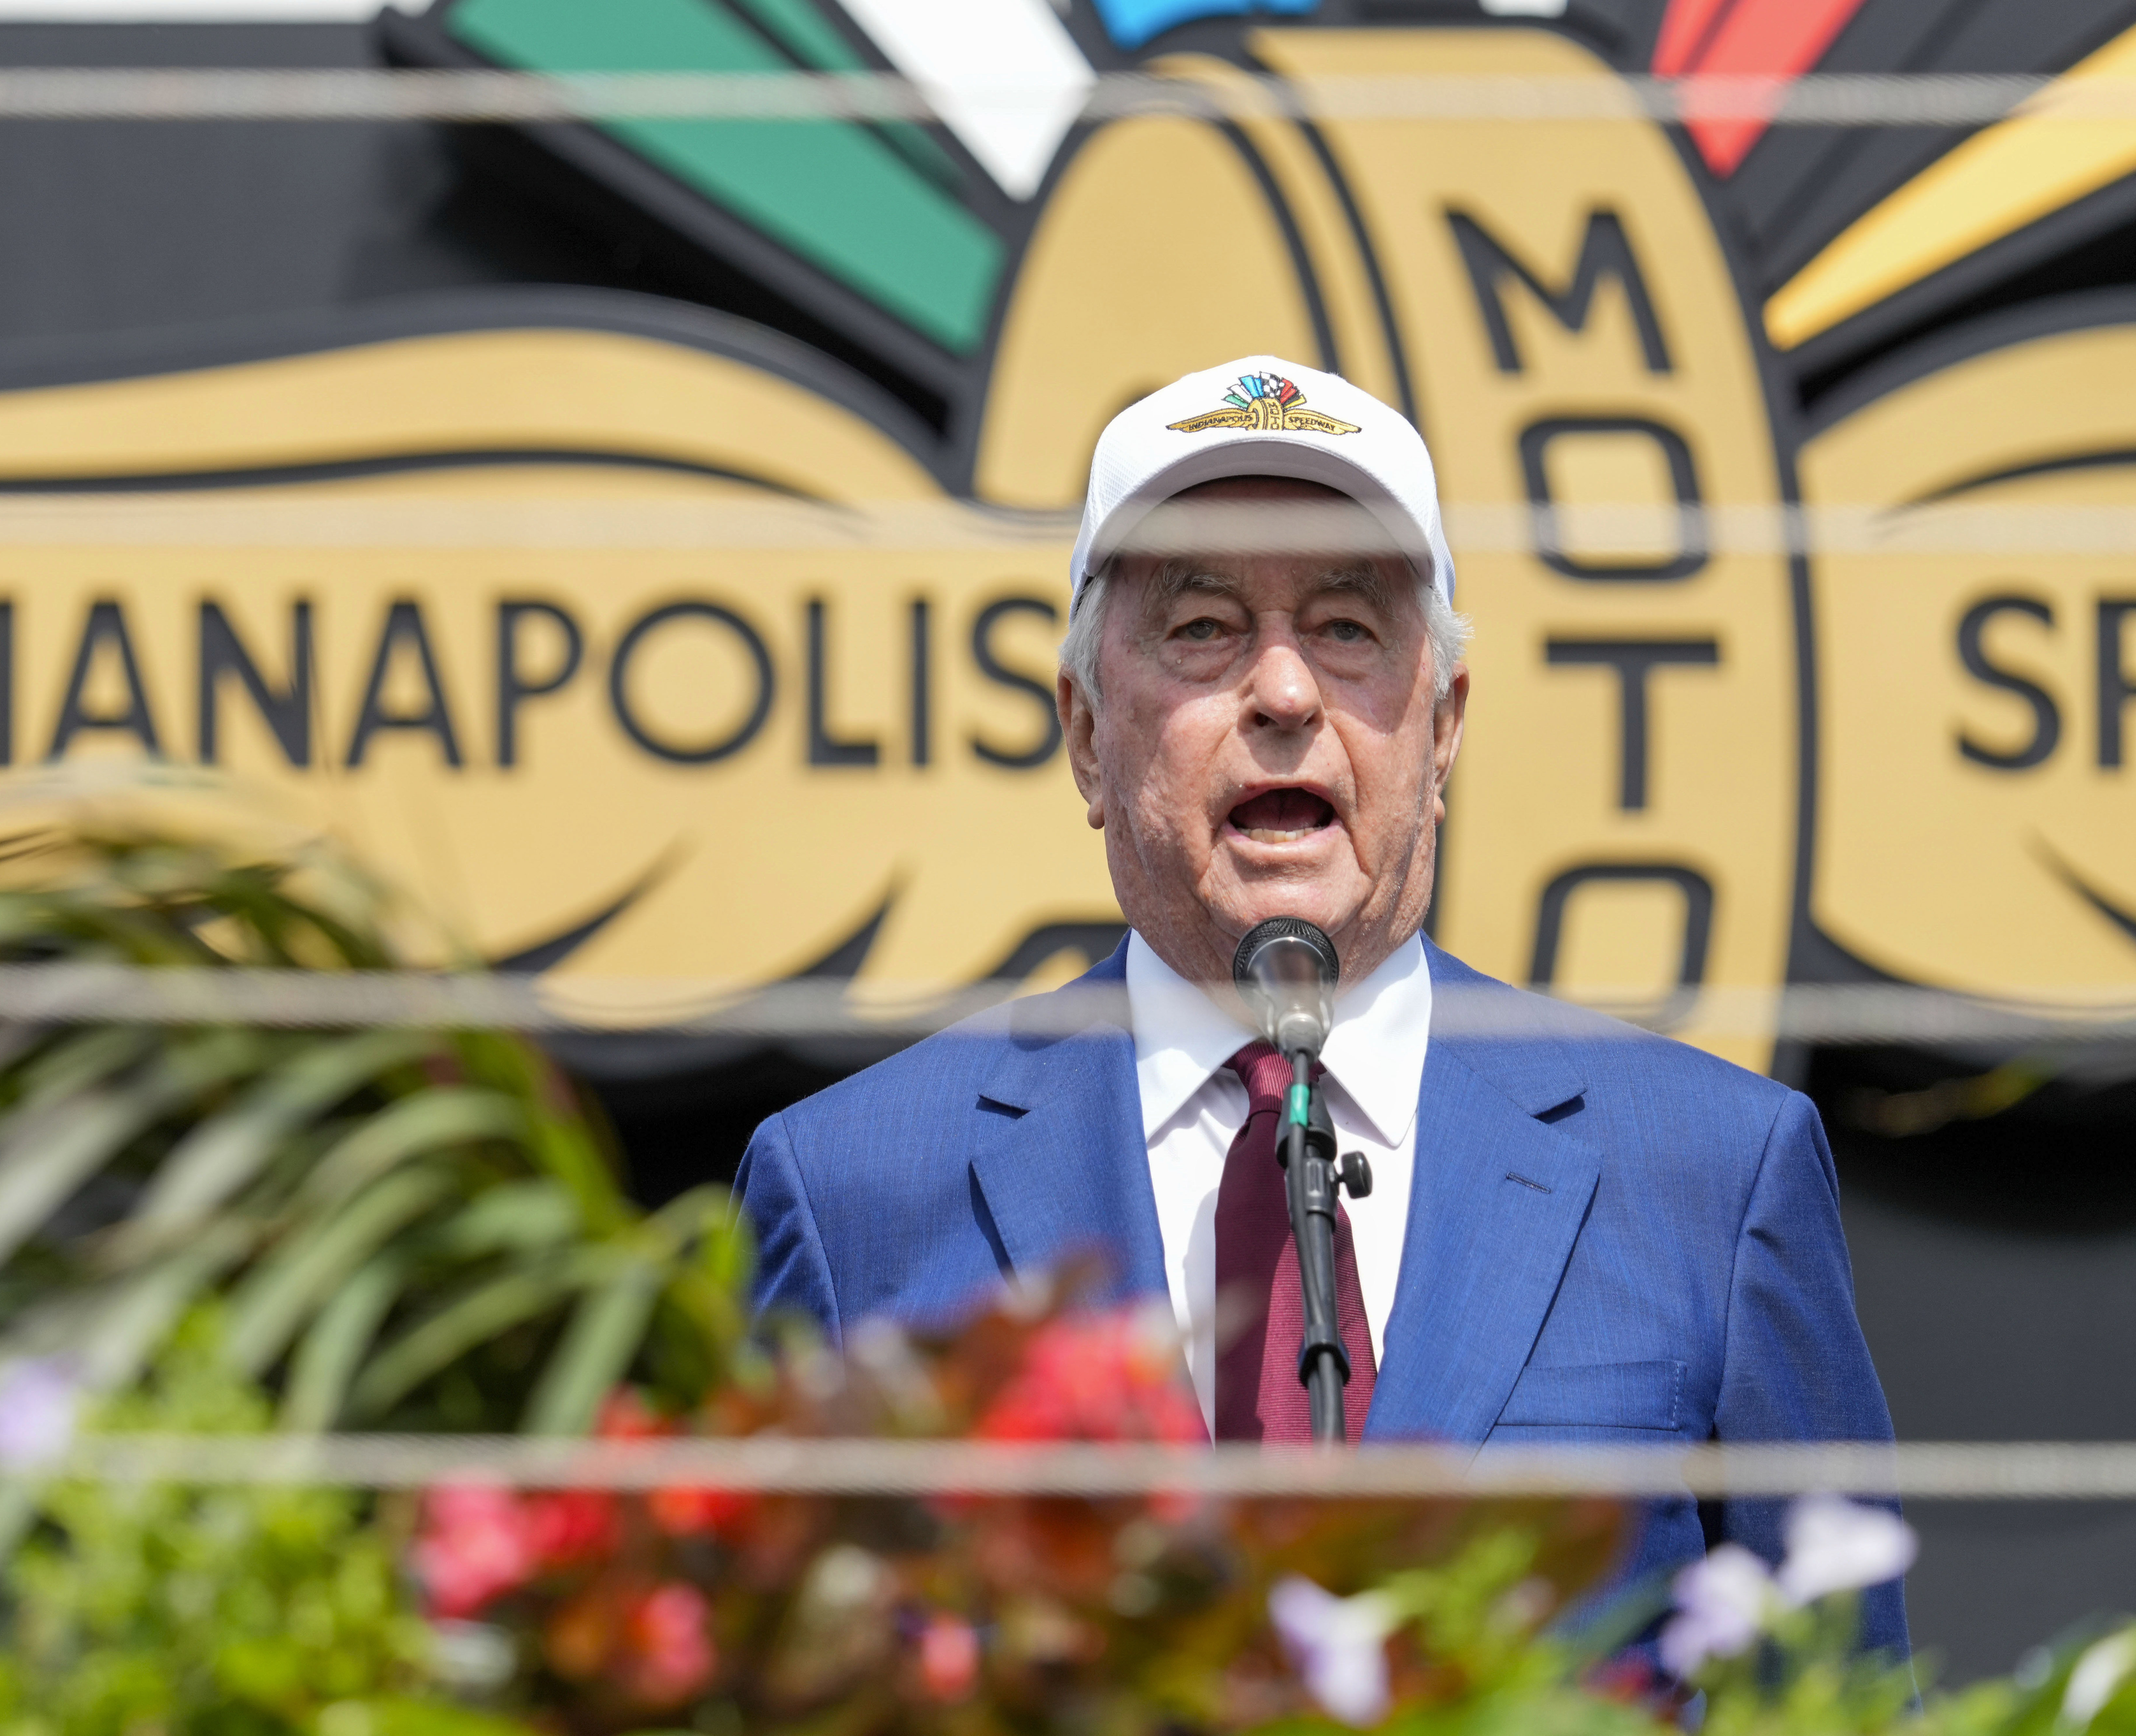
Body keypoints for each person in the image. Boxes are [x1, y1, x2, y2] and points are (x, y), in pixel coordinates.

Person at [733, 355, 1905, 1655]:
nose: (1284, 694)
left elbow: (1846, 1699)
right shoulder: (850, 1194)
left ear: (1443, 727)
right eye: (1202, 627)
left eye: (1347, 627)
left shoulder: (1708, 1175)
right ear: (1085, 733)